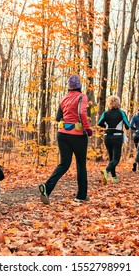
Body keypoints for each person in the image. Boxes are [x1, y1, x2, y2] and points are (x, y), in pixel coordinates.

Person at [39, 74, 93, 205]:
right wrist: (87, 128)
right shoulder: (82, 97)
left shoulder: (63, 99)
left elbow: (58, 117)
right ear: (79, 86)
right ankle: (81, 196)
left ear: (68, 87)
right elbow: (82, 113)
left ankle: (47, 187)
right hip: (78, 135)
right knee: (80, 164)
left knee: (64, 164)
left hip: (62, 134)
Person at [98, 96, 130, 183]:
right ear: (118, 102)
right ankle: (106, 171)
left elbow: (99, 123)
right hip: (117, 136)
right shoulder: (121, 113)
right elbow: (127, 126)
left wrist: (107, 126)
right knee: (116, 159)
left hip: (107, 136)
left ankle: (114, 177)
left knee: (111, 158)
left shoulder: (105, 113)